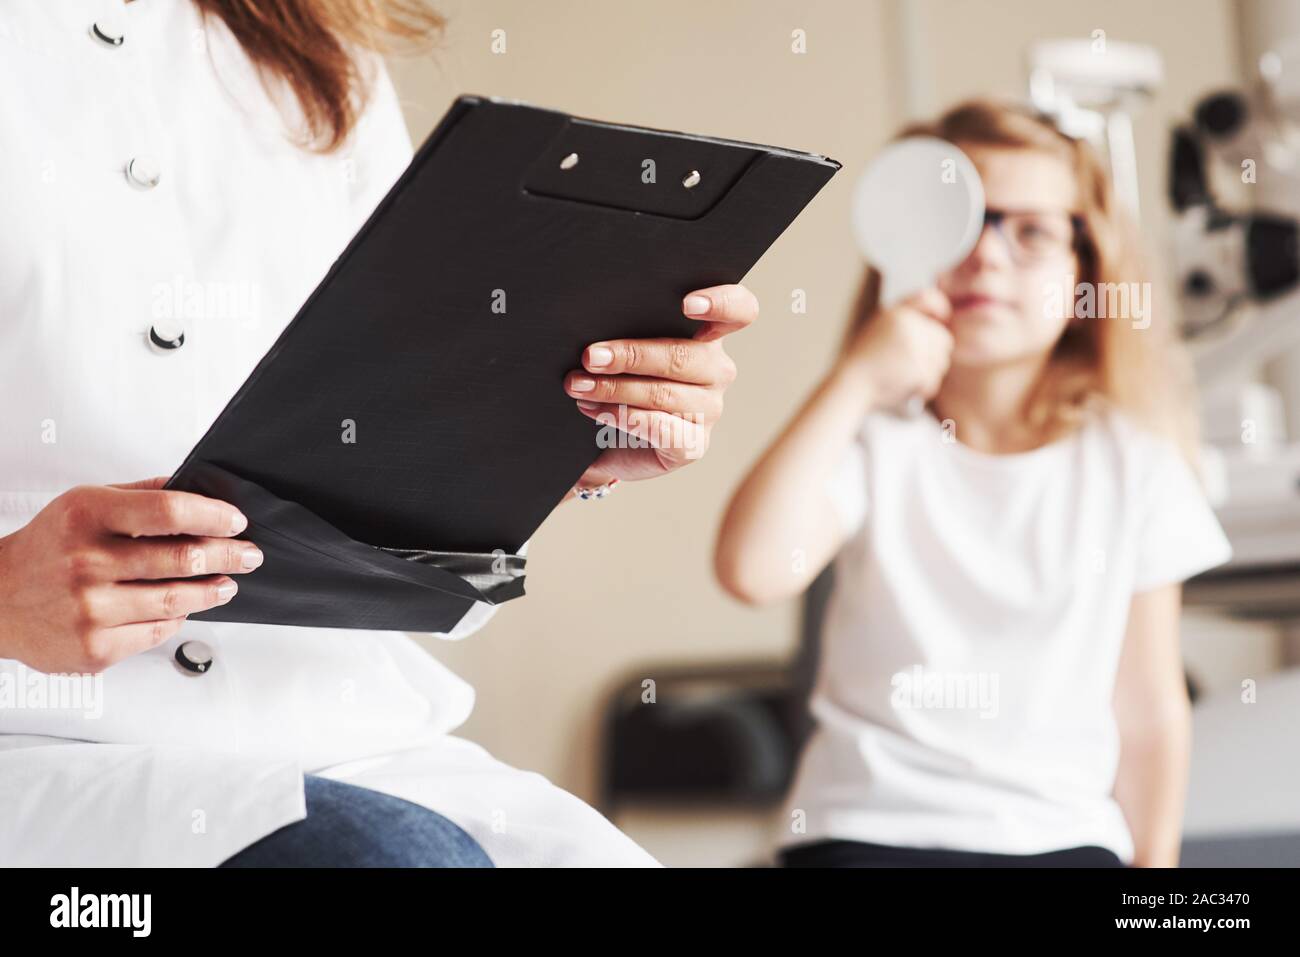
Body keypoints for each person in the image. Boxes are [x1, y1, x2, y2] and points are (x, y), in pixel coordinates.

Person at [0, 0, 755, 867]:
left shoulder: (316, 54)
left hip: (359, 733)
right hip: (35, 749)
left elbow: (382, 401)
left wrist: (559, 440)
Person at [714, 99, 1233, 868]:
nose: (986, 257)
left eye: (1031, 231)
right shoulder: (876, 441)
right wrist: (856, 377)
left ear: (1084, 268)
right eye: (962, 219)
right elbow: (753, 570)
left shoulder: (1135, 464)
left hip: (1064, 837)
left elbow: (1150, 707)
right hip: (866, 829)